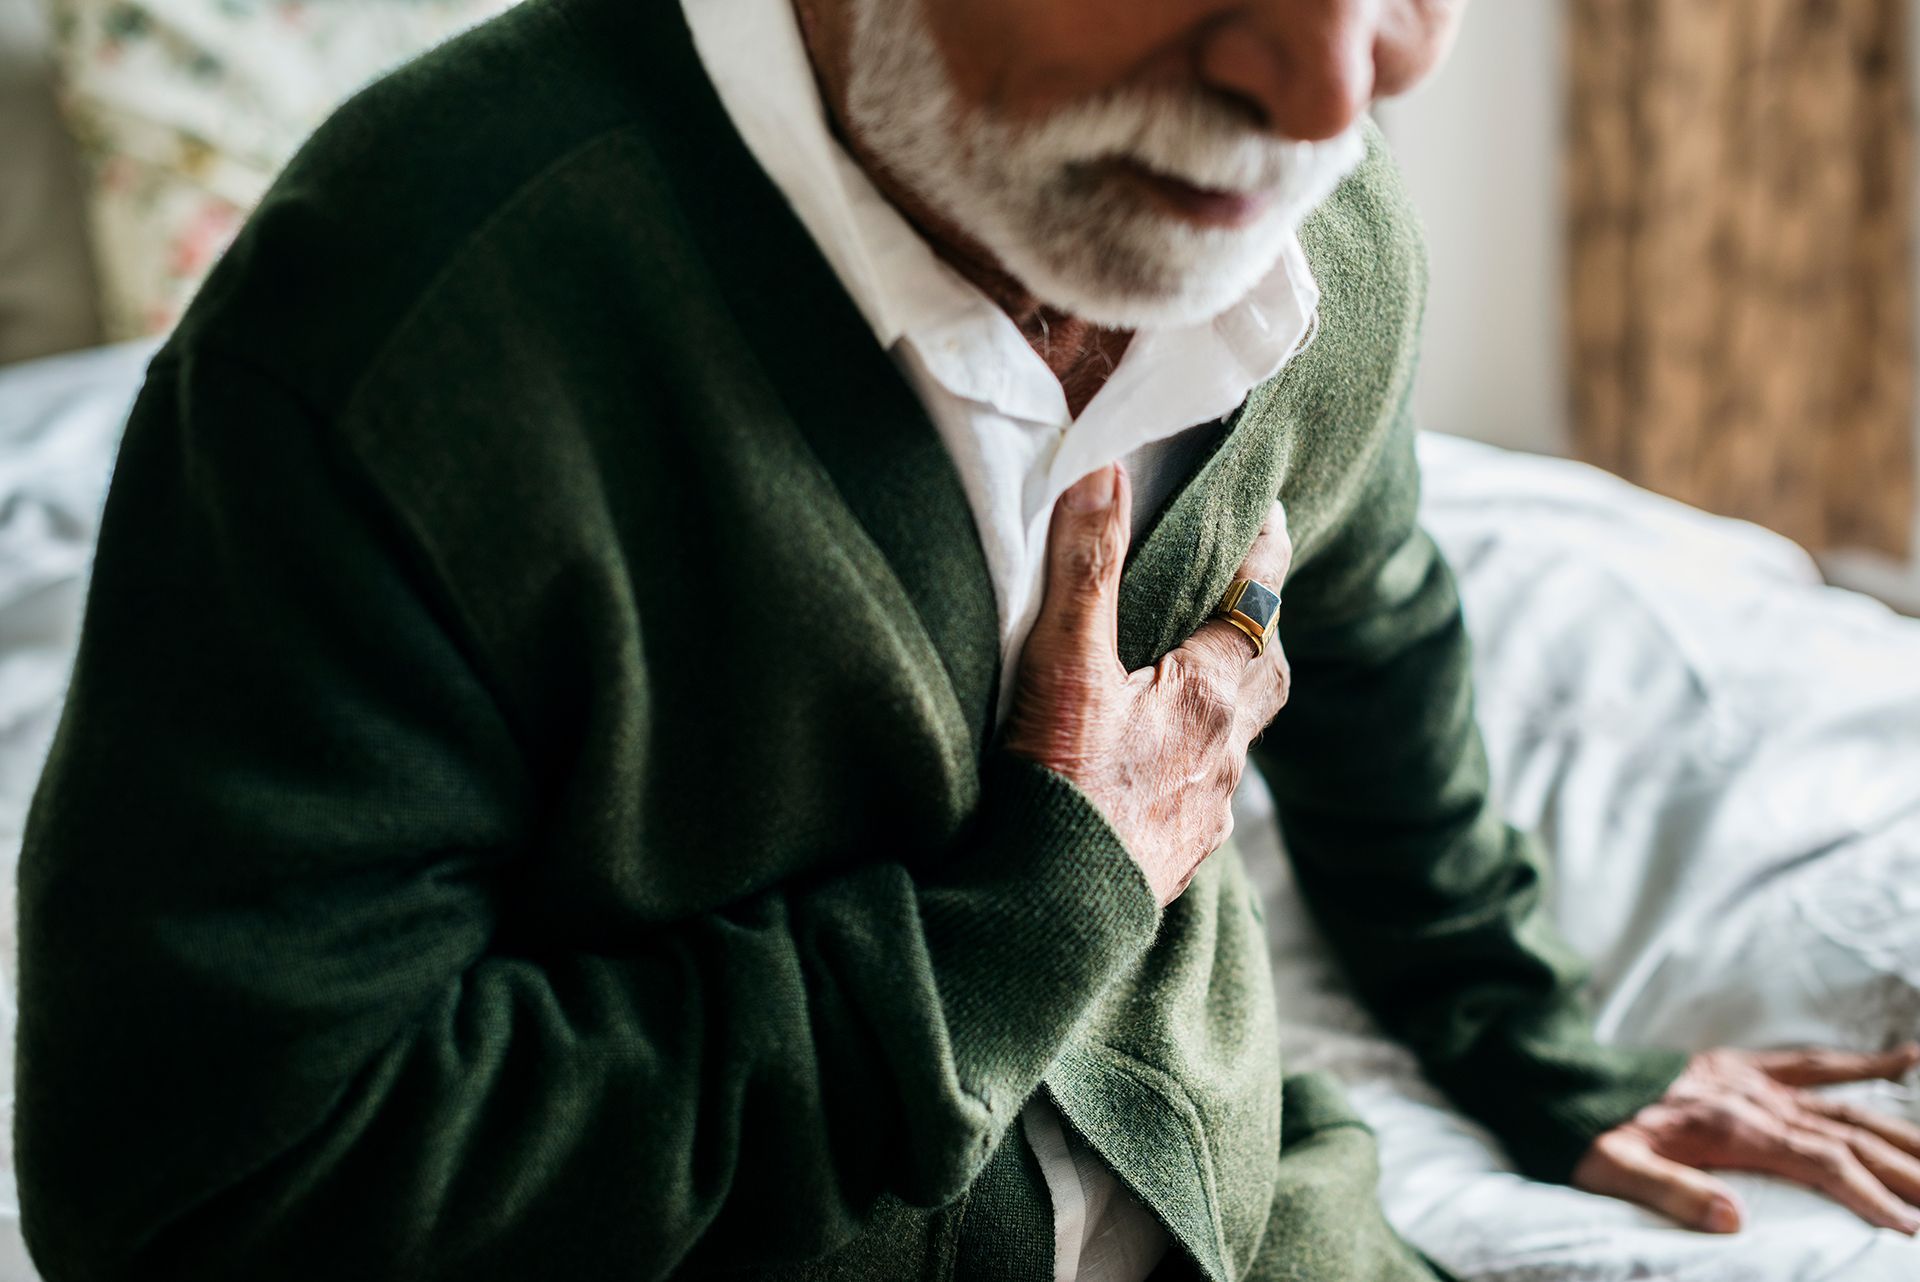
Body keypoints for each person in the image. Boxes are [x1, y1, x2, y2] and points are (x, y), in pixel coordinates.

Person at [17, 0, 1920, 1278]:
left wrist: (1535, 1044)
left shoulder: (1330, 237)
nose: (1335, 93)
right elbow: (210, 1196)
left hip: (1256, 1212)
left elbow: (1372, 621)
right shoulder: (399, 327)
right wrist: (1031, 916)